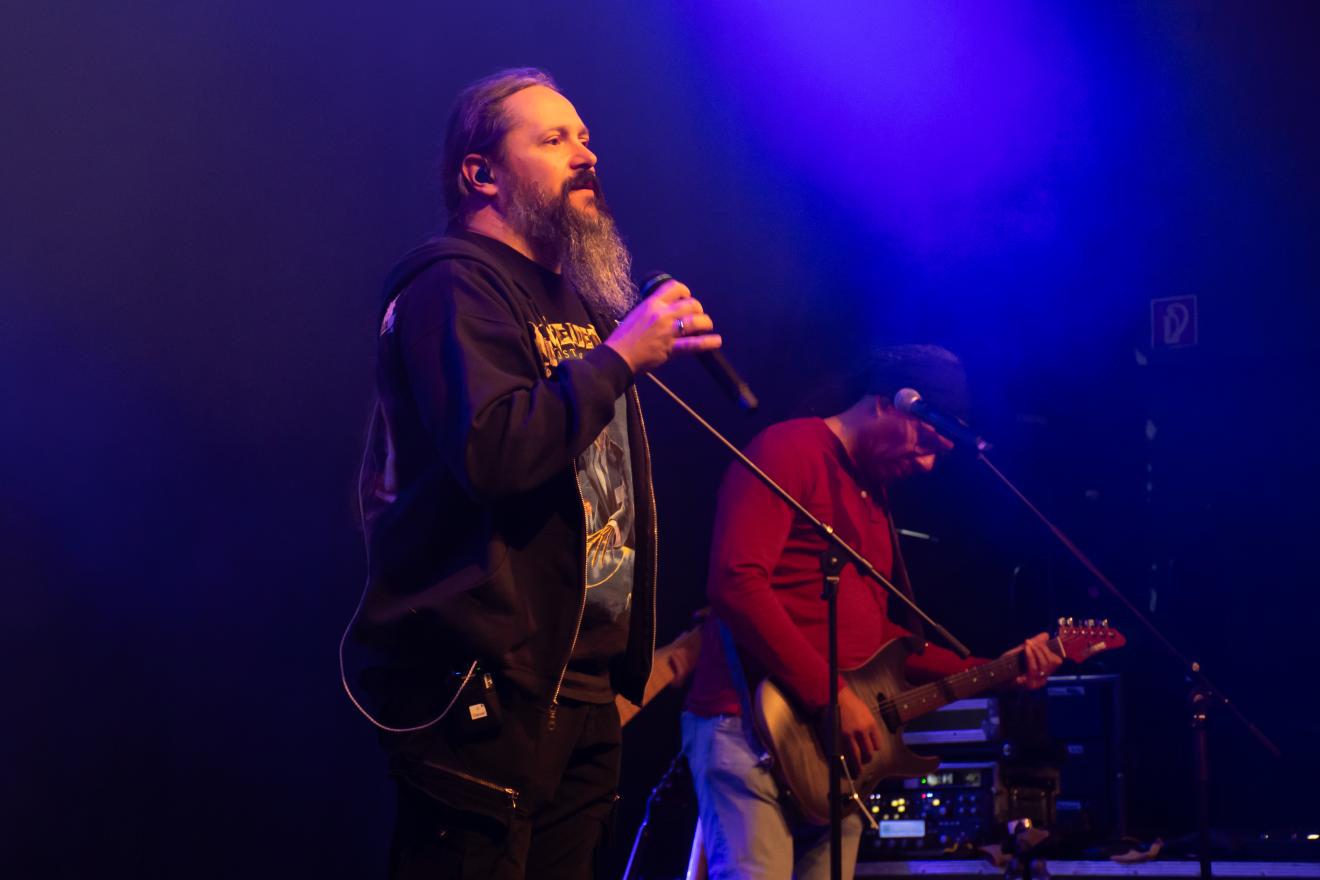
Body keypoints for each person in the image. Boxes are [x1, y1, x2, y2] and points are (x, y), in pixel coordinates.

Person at [348, 67, 721, 880]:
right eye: (552, 140)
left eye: (585, 137)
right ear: (480, 173)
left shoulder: (576, 302)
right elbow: (496, 450)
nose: (585, 155)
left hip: (579, 685)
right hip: (485, 679)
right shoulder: (452, 282)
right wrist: (621, 355)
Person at [681, 345, 1064, 880]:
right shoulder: (789, 449)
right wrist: (831, 693)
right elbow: (735, 582)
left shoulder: (873, 496)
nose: (929, 465)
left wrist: (989, 669)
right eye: (926, 443)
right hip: (751, 727)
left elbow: (881, 639)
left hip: (830, 751)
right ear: (890, 404)